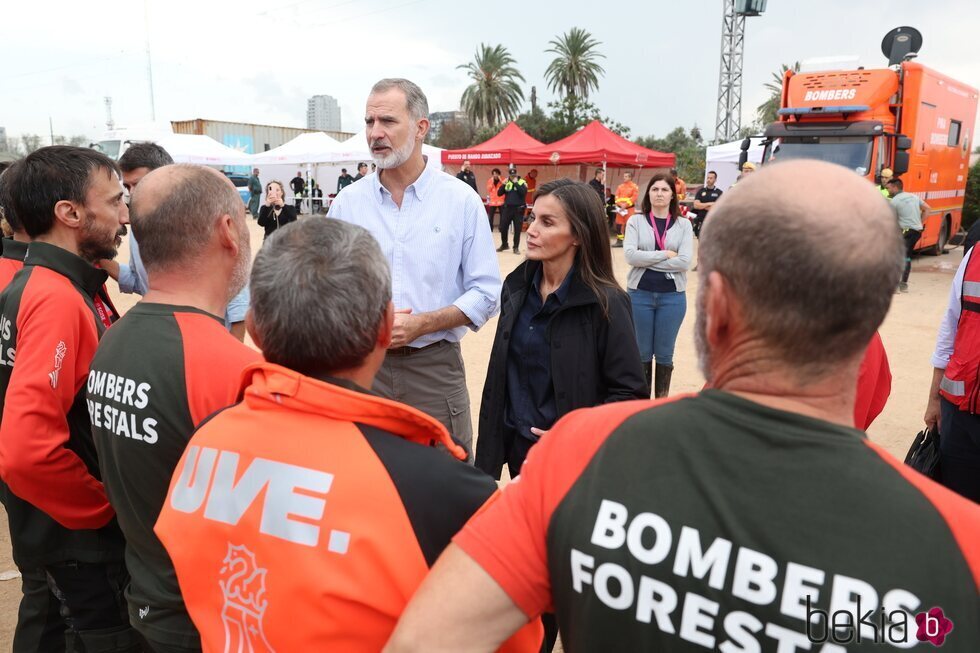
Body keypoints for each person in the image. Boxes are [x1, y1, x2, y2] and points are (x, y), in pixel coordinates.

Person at [385, 160, 980, 653]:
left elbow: (425, 641)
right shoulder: (964, 553)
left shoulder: (579, 455)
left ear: (715, 308)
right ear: (872, 327)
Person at [154, 219, 541, 653]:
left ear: (255, 330)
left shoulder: (208, 438)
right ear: (386, 326)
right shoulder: (445, 490)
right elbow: (513, 640)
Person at [88, 164, 260, 653]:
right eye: (243, 217)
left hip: (149, 595)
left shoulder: (114, 338)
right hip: (208, 616)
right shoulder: (229, 367)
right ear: (228, 231)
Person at [0, 146, 139, 652]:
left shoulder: (37, 281)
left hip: (58, 532)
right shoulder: (57, 297)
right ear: (72, 214)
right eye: (115, 200)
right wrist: (106, 509)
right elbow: (27, 450)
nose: (125, 215)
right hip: (81, 543)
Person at [328, 78, 500, 459]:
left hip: (434, 370)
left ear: (422, 127)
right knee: (364, 482)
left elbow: (487, 292)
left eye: (387, 121)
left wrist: (423, 324)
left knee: (447, 484)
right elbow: (329, 287)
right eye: (369, 122)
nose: (375, 133)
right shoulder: (347, 204)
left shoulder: (460, 202)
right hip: (361, 371)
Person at [477, 178, 647, 481]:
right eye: (532, 218)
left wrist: (573, 434)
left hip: (574, 466)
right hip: (519, 455)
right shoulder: (516, 287)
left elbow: (630, 393)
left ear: (578, 235)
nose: (530, 229)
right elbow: (501, 376)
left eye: (547, 222)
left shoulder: (607, 303)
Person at [98, 143, 251, 341]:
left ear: (167, 176)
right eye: (128, 187)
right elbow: (140, 281)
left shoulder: (202, 220)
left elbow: (236, 290)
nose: (133, 193)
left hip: (210, 340)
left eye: (140, 183)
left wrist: (231, 352)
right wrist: (99, 258)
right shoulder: (138, 229)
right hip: (166, 341)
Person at [624, 173, 694, 398]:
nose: (659, 194)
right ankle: (642, 404)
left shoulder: (683, 225)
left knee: (664, 354)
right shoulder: (636, 221)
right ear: (648, 194)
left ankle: (660, 403)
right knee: (642, 353)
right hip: (639, 296)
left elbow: (684, 261)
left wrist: (649, 258)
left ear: (673, 195)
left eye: (664, 190)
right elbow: (631, 257)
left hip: (671, 298)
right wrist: (664, 254)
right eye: (655, 189)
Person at [925, 242, 980, 502]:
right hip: (958, 415)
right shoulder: (976, 254)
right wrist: (934, 399)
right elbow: (951, 326)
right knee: (955, 505)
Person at [888, 177, 930, 292]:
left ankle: (897, 285)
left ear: (895, 187)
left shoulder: (895, 201)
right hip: (916, 232)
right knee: (906, 257)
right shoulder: (914, 197)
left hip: (905, 231)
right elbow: (927, 209)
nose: (888, 191)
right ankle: (903, 285)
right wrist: (919, 222)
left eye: (889, 188)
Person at [497, 167, 528, 254]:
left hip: (518, 210)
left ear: (516, 175)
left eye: (514, 175)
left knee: (517, 229)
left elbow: (523, 193)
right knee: (503, 227)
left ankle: (516, 247)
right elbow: (499, 193)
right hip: (507, 209)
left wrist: (516, 183)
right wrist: (503, 184)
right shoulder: (507, 182)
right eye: (511, 175)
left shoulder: (522, 182)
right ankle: (504, 244)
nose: (512, 177)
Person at [691, 170, 723, 238]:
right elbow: (696, 205)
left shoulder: (719, 193)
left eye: (711, 178)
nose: (708, 180)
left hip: (713, 221)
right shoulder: (701, 191)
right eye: (708, 178)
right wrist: (710, 204)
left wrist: (702, 205)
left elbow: (718, 208)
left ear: (715, 180)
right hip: (701, 221)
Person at [612, 171, 639, 247]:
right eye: (624, 176)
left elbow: (634, 197)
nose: (624, 178)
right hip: (620, 209)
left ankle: (629, 242)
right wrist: (621, 205)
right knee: (619, 225)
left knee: (629, 225)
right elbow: (616, 197)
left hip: (629, 209)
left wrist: (626, 205)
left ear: (630, 178)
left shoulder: (634, 187)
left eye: (626, 176)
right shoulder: (620, 186)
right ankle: (619, 241)